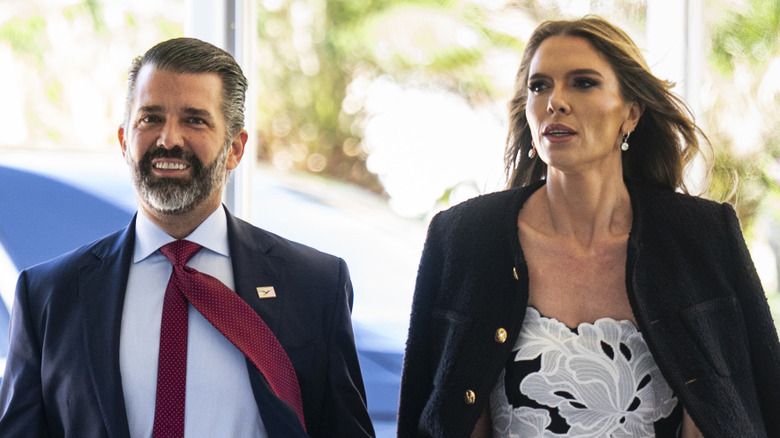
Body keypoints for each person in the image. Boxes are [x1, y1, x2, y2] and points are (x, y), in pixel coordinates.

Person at [398, 16, 780, 438]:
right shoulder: (463, 239)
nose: (554, 102)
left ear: (631, 113)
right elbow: (427, 407)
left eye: (583, 83)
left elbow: (761, 396)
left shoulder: (703, 237)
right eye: (539, 86)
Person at [0, 37, 375, 438]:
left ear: (234, 148)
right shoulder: (49, 294)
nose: (169, 139)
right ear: (125, 141)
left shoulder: (314, 285)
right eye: (151, 118)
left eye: (195, 119)